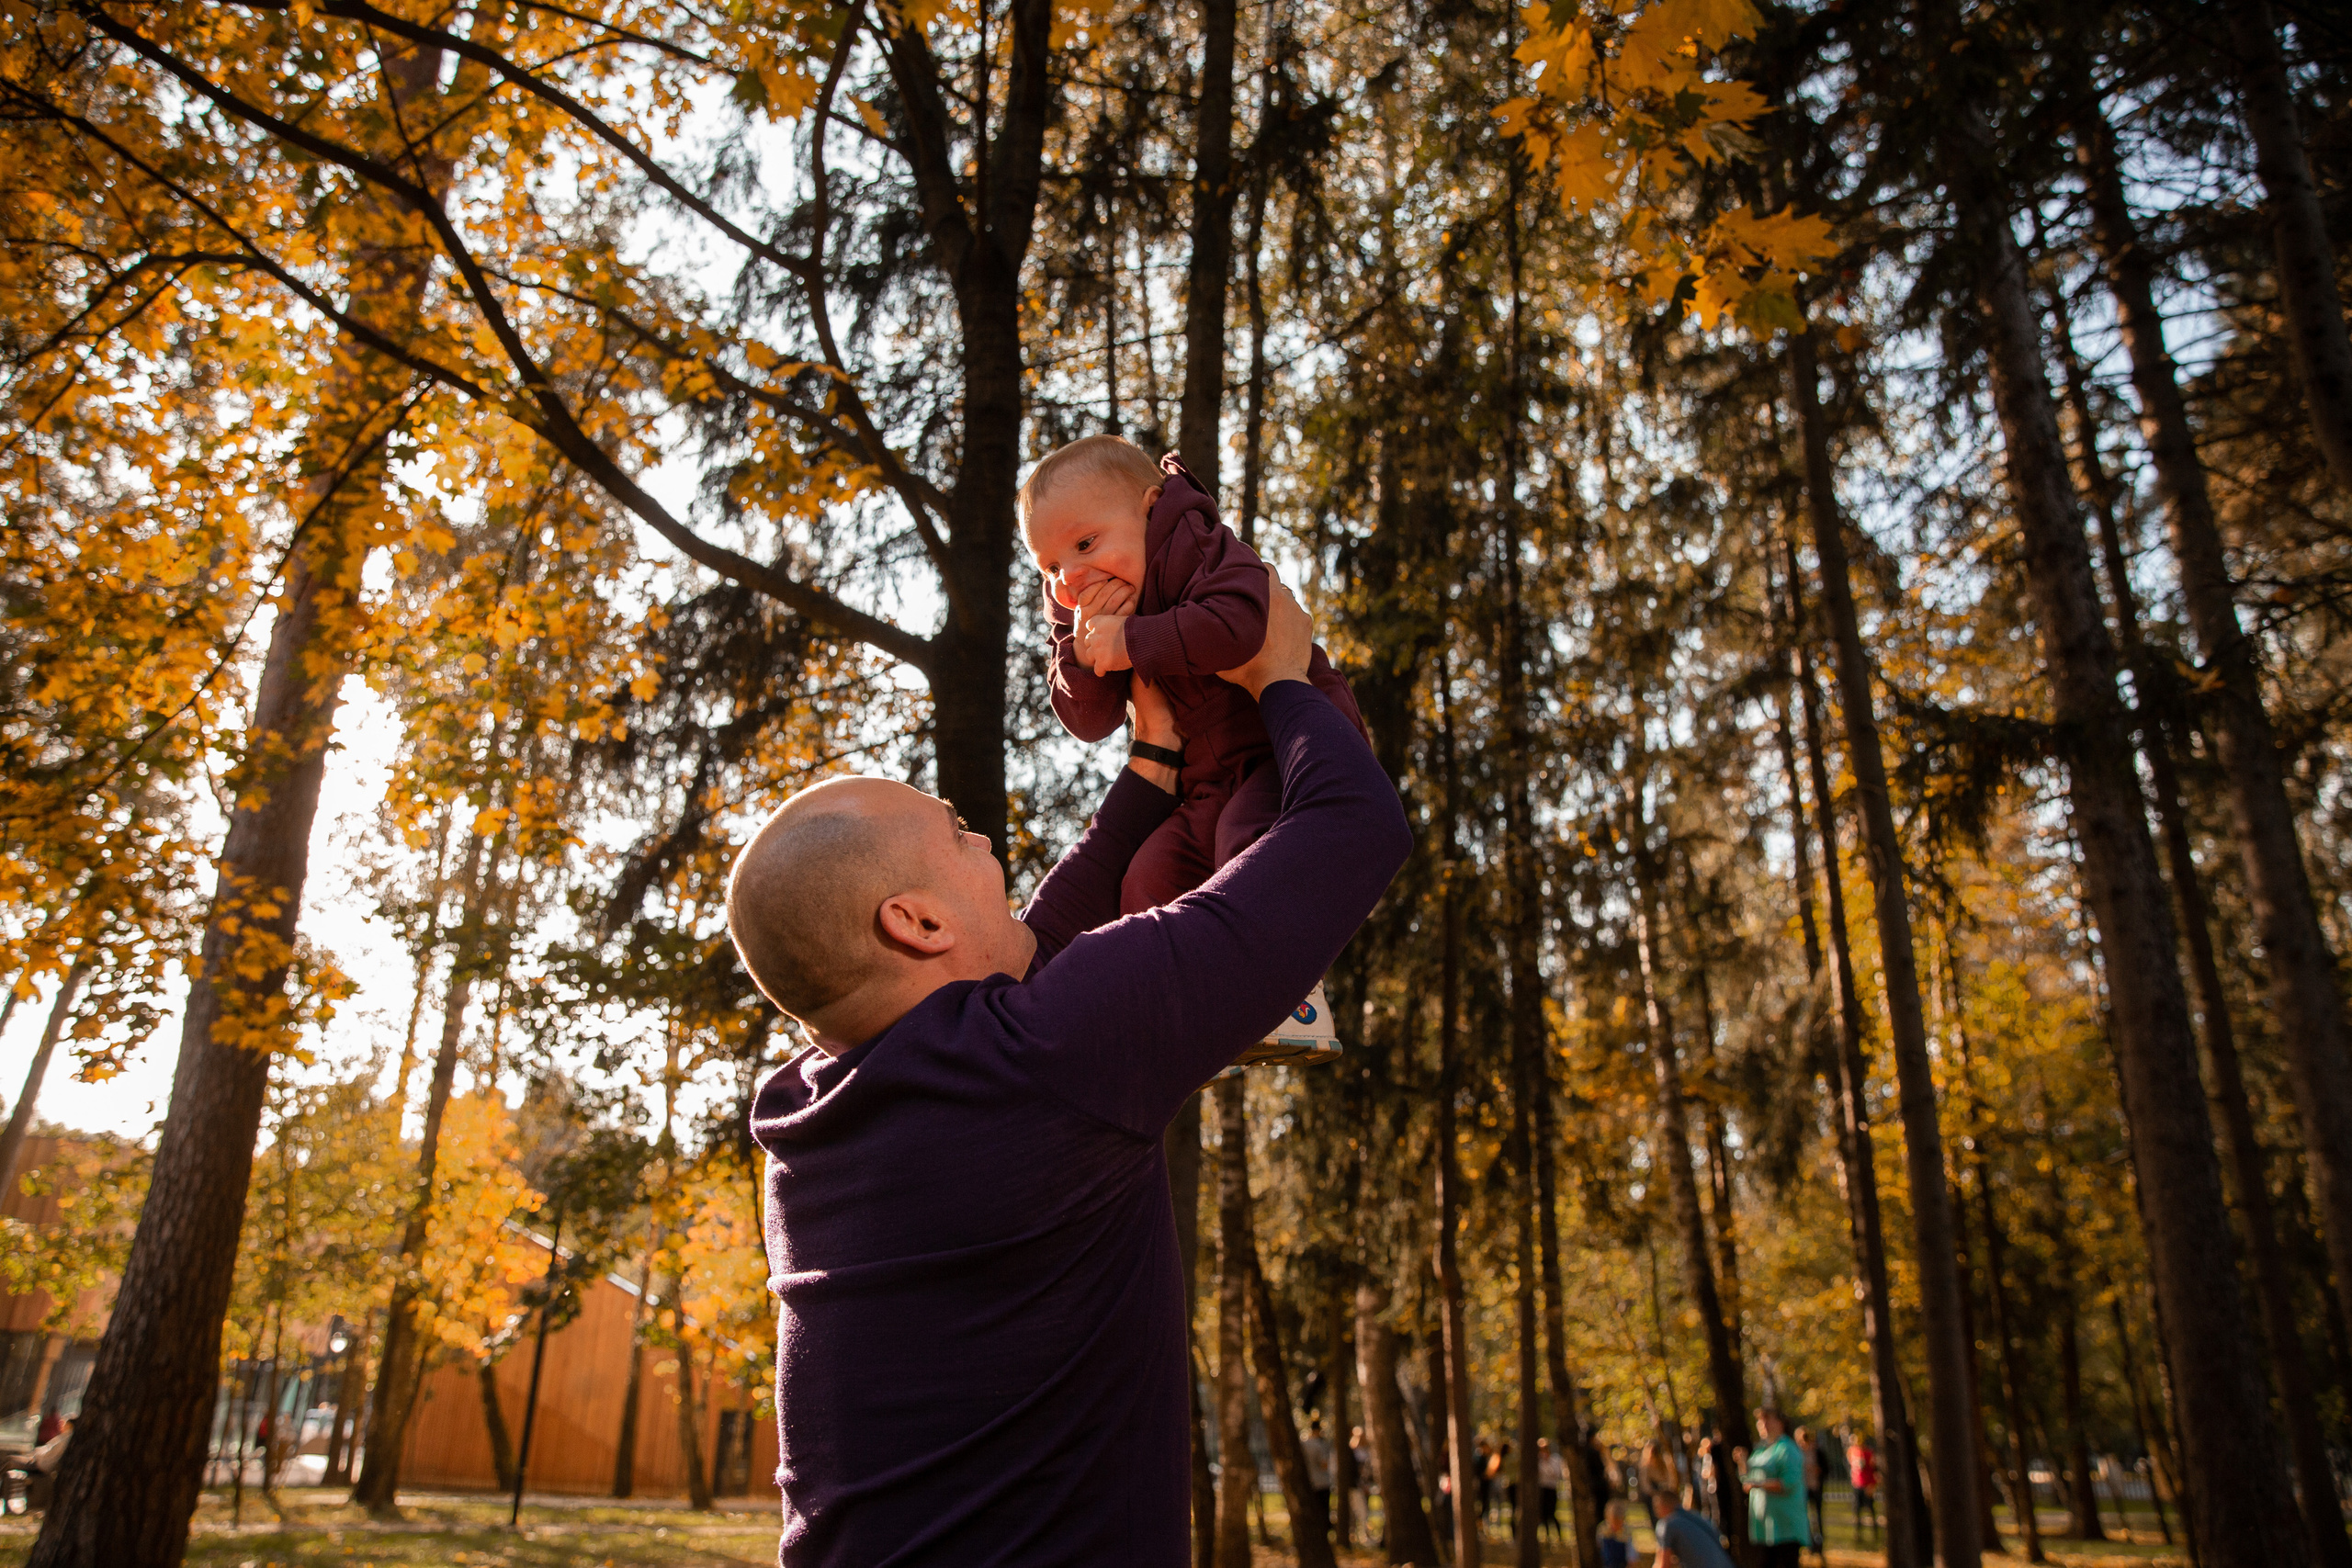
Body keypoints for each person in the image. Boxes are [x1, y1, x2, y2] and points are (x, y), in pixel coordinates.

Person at [729, 577, 1410, 1566]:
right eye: (960, 834)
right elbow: (1354, 825)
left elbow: (1030, 950)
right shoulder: (1046, 1056)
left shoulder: (808, 1114)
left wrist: (1150, 770)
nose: (987, 841)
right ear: (916, 921)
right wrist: (1282, 679)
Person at [1024, 435, 1372, 1064]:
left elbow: (1241, 623)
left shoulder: (1194, 544)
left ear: (1149, 509)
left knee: (1250, 841)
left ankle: (1294, 998)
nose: (1070, 578)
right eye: (1049, 567)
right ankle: (1185, 1014)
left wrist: (1131, 640)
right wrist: (1080, 654)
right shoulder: (1078, 614)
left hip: (1283, 748)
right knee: (1149, 876)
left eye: (1086, 544)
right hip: (1207, 782)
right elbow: (1090, 721)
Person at [1745, 1410, 1810, 1568]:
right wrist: (1742, 1463)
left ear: (1781, 1423)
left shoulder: (1787, 1448)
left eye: (1767, 1420)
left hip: (1786, 1526)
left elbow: (1788, 1483)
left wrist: (1758, 1485)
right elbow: (1747, 1479)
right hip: (1764, 1526)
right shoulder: (1761, 1449)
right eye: (1760, 1421)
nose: (1763, 1424)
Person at [1650, 1486, 1738, 1568]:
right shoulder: (1697, 1517)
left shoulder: (1667, 1524)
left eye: (1656, 1507)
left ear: (1663, 1506)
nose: (1656, 1512)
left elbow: (1663, 1565)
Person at [1794, 1426, 1826, 1553]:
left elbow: (1825, 1468)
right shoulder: (1797, 1452)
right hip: (1802, 1489)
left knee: (1817, 1517)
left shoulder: (1817, 1452)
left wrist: (1816, 1470)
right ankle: (1808, 1543)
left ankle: (1820, 1544)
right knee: (1804, 1517)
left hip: (1815, 1487)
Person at [1303, 1416, 1335, 1538]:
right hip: (1322, 1482)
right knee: (1323, 1510)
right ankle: (1324, 1532)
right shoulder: (1319, 1445)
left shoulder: (1303, 1443)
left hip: (1310, 1482)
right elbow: (1324, 1465)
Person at [1847, 1433, 1880, 1536]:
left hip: (1867, 1485)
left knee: (1871, 1509)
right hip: (1857, 1484)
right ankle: (1858, 1534)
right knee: (1857, 1510)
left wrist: (1872, 1485)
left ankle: (1875, 1532)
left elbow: (1875, 1470)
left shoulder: (1868, 1453)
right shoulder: (1852, 1452)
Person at [1538, 1437, 1566, 1544]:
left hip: (1552, 1489)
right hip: (1542, 1489)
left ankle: (1559, 1536)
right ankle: (1547, 1536)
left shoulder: (1556, 1460)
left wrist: (1547, 1463)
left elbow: (1557, 1474)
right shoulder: (1538, 1461)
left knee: (1552, 1513)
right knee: (1543, 1514)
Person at [1598, 1497, 1634, 1568]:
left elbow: (1632, 1557)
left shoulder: (1626, 1533)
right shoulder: (1602, 1530)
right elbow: (1599, 1548)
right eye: (1613, 1523)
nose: (1615, 1527)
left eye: (1618, 1523)